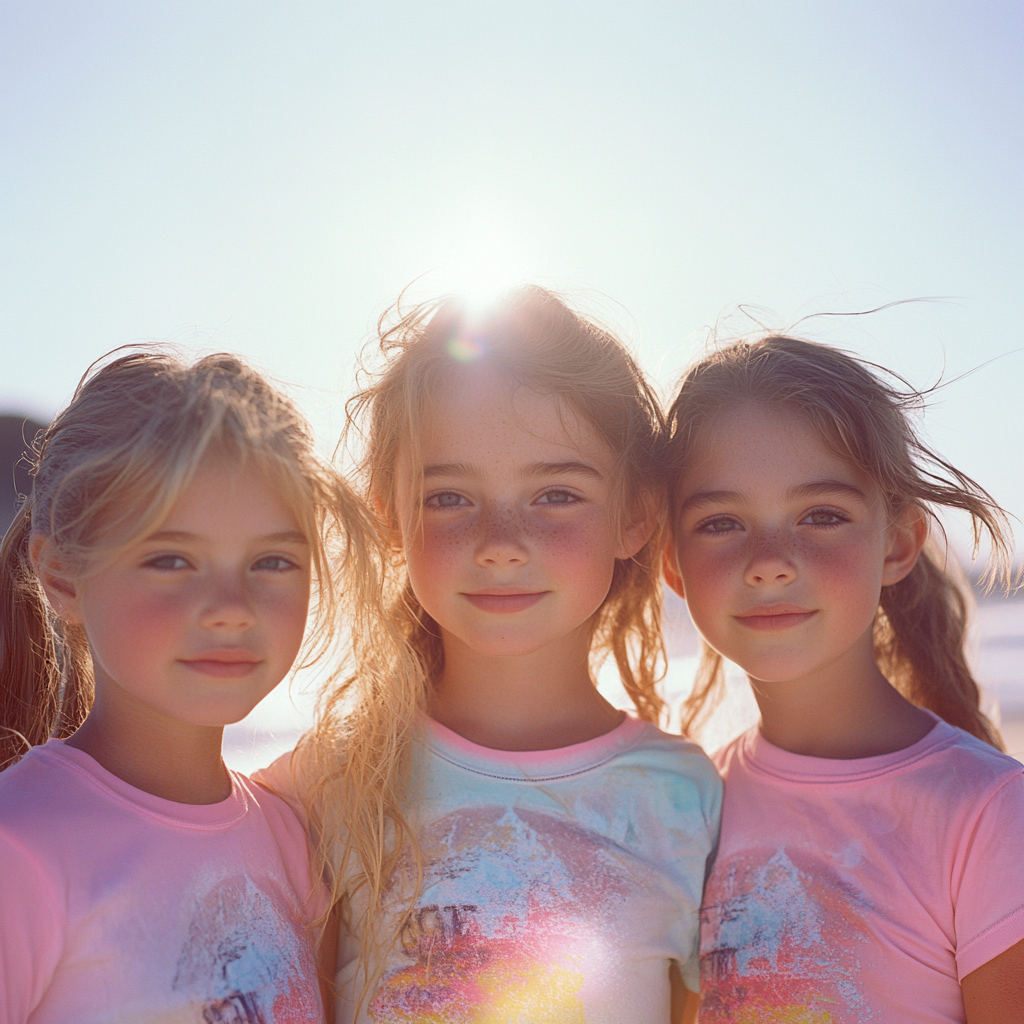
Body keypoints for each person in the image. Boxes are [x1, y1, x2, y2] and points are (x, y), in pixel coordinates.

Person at [261, 287, 722, 1023]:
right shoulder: (330, 785)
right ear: (390, 516)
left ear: (634, 515)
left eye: (556, 495)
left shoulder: (685, 798)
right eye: (449, 498)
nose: (501, 542)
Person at [0, 349, 377, 1024]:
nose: (230, 605)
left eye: (271, 561)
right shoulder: (20, 844)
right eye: (171, 559)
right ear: (60, 577)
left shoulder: (293, 841)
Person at [661, 335, 1024, 1023]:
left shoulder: (990, 814)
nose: (770, 562)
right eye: (721, 522)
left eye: (821, 516)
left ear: (898, 542)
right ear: (672, 566)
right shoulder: (690, 812)